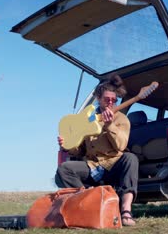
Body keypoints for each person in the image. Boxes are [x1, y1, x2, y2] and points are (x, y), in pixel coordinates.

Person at [55, 74, 138, 227]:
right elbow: (79, 151)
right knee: (64, 169)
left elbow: (120, 145)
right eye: (107, 99)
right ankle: (89, 203)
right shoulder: (88, 119)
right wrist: (67, 145)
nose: (111, 103)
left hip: (113, 164)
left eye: (114, 100)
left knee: (131, 158)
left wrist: (109, 125)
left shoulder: (122, 119)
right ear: (99, 98)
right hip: (92, 166)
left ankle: (126, 210)